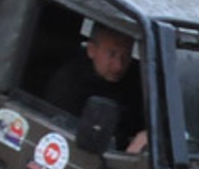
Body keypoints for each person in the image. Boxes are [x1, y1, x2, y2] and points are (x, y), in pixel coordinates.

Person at [43, 24, 148, 152]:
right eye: (112, 54)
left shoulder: (134, 81)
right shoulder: (69, 84)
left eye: (125, 56)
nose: (118, 66)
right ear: (91, 50)